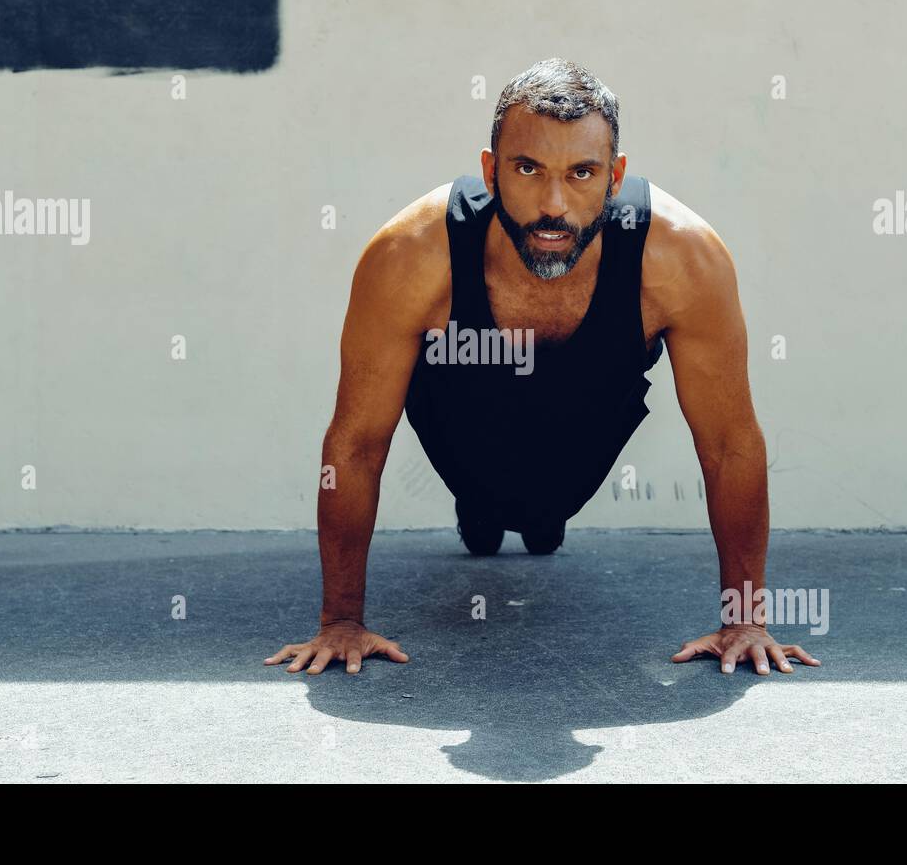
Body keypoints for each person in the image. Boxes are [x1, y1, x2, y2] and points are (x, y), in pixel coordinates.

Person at [266, 58, 820, 678]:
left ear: (616, 177)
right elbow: (357, 442)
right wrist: (339, 620)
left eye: (582, 173)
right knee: (484, 504)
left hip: (581, 440)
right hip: (462, 429)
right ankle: (480, 509)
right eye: (527, 169)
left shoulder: (684, 258)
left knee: (542, 522)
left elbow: (729, 444)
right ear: (489, 171)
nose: (553, 205)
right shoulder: (408, 256)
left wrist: (746, 620)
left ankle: (535, 518)